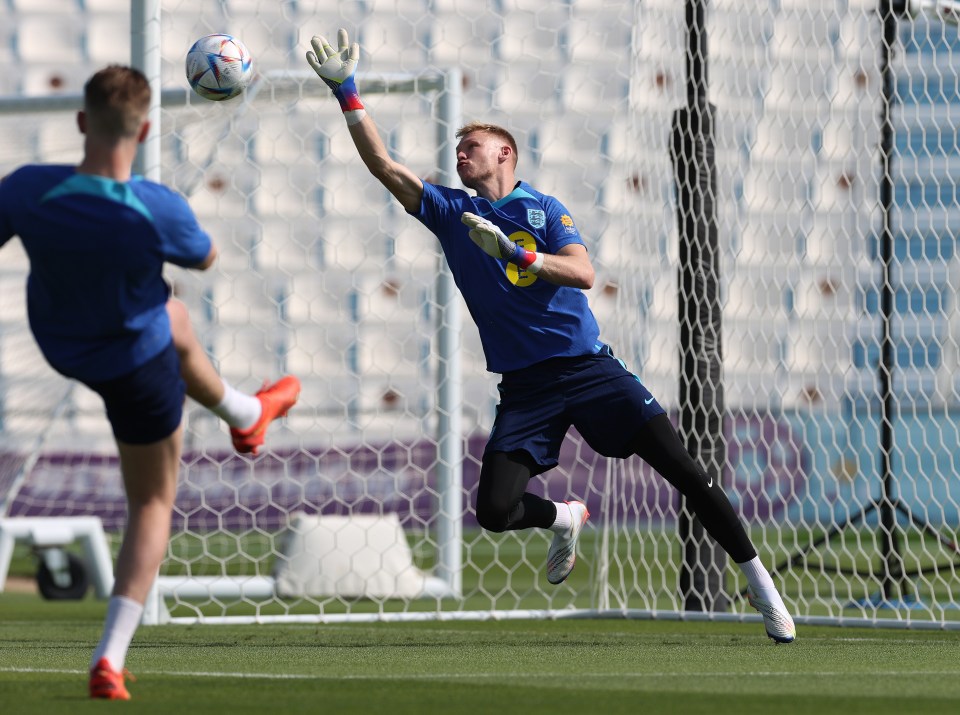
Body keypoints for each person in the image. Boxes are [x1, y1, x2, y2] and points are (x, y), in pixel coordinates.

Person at [304, 29, 796, 643]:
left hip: (589, 369)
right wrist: (346, 92)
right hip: (527, 387)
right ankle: (564, 516)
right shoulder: (453, 215)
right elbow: (383, 166)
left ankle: (758, 582)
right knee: (494, 511)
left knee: (687, 473)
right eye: (459, 149)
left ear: (505, 154)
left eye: (473, 147)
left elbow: (584, 272)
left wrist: (518, 255)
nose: (461, 155)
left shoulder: (542, 209)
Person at [0, 65, 301, 700]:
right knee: (151, 505)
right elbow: (207, 256)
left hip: (62, 346)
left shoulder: (26, 189)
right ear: (142, 132)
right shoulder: (158, 208)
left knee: (174, 316)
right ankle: (109, 659)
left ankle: (246, 412)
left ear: (82, 122)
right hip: (136, 367)